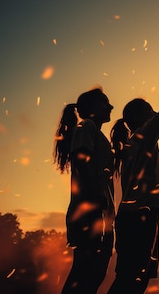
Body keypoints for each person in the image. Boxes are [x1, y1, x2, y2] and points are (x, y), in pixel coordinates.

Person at [107, 53, 159, 294]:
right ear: (140, 117)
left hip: (139, 216)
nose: (155, 112)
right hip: (139, 217)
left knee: (135, 279)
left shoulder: (136, 143)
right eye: (149, 110)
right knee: (131, 280)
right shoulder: (142, 137)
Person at [53, 87, 115, 294]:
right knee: (84, 271)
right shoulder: (86, 127)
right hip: (88, 210)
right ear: (92, 108)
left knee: (94, 272)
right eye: (105, 103)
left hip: (98, 211)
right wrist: (96, 194)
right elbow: (80, 159)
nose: (111, 106)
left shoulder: (96, 133)